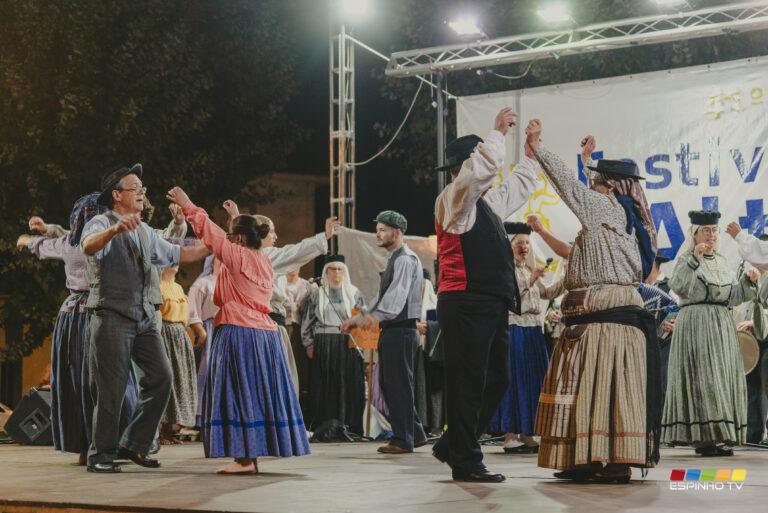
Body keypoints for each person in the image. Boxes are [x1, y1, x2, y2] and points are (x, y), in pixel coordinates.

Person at [527, 125, 661, 483]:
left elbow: (570, 188)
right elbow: (588, 191)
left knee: (597, 390)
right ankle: (595, 458)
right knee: (605, 389)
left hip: (603, 320)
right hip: (611, 317)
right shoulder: (628, 217)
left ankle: (608, 460)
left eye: (598, 182)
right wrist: (588, 161)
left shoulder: (604, 208)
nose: (593, 187)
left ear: (610, 186)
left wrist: (538, 149)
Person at [167, 186, 309, 475]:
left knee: (238, 392)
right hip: (266, 335)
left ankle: (244, 459)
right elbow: (236, 238)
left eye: (233, 235)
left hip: (239, 331)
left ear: (240, 239)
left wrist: (188, 204)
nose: (229, 238)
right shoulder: (264, 260)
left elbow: (211, 233)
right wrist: (236, 216)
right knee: (259, 393)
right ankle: (253, 455)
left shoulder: (237, 256)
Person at [431, 107, 540, 483]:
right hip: (464, 301)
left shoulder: (483, 205)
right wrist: (498, 134)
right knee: (468, 382)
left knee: (496, 379)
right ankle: (465, 460)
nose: (490, 175)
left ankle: (454, 444)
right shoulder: (453, 199)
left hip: (489, 303)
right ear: (465, 167)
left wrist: (530, 155)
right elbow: (479, 173)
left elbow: (515, 188)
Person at [80, 164, 209, 473]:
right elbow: (88, 246)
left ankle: (135, 443)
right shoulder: (100, 221)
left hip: (146, 317)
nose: (142, 193)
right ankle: (101, 456)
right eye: (135, 188)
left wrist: (219, 243)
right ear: (117, 195)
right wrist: (114, 230)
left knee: (162, 378)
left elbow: (180, 254)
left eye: (143, 189)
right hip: (113, 314)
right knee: (111, 389)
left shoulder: (146, 231)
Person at [16, 195, 138, 465]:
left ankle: (88, 445)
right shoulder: (111, 241)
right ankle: (114, 443)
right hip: (97, 315)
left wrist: (27, 238)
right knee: (107, 379)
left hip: (73, 318)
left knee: (80, 382)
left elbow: (45, 242)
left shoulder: (70, 243)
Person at [662, 210, 759, 456]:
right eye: (705, 230)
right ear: (694, 234)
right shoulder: (686, 259)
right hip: (696, 324)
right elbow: (679, 287)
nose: (711, 235)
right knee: (703, 378)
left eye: (714, 230)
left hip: (721, 325)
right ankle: (704, 437)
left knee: (721, 378)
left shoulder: (723, 261)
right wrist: (694, 260)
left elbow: (732, 296)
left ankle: (719, 434)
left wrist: (748, 282)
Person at [221, 200, 338, 395]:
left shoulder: (247, 254)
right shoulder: (265, 256)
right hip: (269, 325)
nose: (275, 236)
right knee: (275, 380)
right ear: (259, 233)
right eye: (271, 231)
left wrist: (235, 216)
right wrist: (323, 236)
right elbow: (295, 252)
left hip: (259, 325)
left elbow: (241, 239)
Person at [342, 210, 427, 454]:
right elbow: (381, 297)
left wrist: (374, 318)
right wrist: (358, 320)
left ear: (397, 232)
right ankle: (414, 433)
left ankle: (403, 439)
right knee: (392, 384)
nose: (378, 234)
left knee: (397, 385)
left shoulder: (404, 259)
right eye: (377, 230)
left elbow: (395, 298)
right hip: (394, 330)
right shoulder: (395, 259)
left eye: (383, 230)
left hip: (400, 330)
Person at [488, 222, 563, 455]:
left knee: (532, 380)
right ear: (509, 245)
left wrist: (566, 276)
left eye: (527, 243)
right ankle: (510, 435)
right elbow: (510, 296)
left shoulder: (526, 269)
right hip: (515, 328)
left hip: (532, 330)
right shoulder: (504, 268)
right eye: (519, 242)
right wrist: (531, 279)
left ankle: (527, 433)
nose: (525, 247)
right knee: (516, 379)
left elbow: (548, 292)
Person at [301, 255, 366, 441]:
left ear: (345, 272)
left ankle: (348, 425)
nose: (336, 273)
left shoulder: (354, 293)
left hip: (347, 343)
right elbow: (307, 321)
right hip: (324, 343)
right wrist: (308, 344)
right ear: (326, 272)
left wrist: (361, 344)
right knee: (325, 384)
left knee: (347, 384)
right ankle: (325, 426)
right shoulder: (317, 294)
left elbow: (362, 319)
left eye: (340, 269)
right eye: (332, 269)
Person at [158, 265, 198, 444]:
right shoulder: (157, 285)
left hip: (180, 335)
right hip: (164, 334)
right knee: (165, 381)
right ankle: (158, 432)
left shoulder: (178, 287)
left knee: (179, 381)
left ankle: (169, 431)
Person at [188, 256, 220, 427]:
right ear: (212, 262)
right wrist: (200, 330)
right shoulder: (203, 283)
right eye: (219, 259)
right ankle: (201, 416)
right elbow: (192, 309)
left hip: (228, 329)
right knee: (207, 371)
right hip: (211, 329)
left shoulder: (233, 283)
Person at [281, 268, 313, 415]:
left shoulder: (307, 286)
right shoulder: (279, 281)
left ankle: (296, 406)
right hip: (281, 326)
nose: (292, 268)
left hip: (299, 329)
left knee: (297, 367)